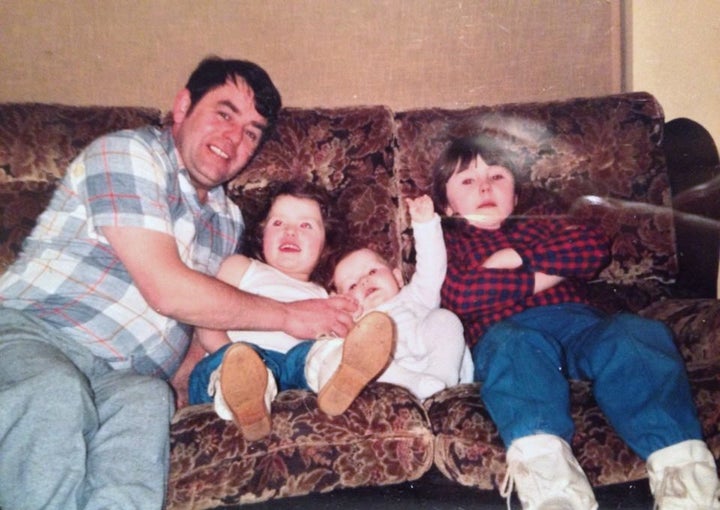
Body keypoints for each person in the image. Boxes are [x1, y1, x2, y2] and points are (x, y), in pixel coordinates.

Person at [0, 57, 357, 510]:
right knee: (53, 392)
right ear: (183, 106)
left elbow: (200, 315)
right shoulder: (128, 154)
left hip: (128, 378)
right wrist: (291, 316)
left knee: (148, 404)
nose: (233, 138)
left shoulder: (227, 219)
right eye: (224, 114)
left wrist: (196, 376)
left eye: (251, 132)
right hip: (37, 336)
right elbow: (167, 289)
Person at [431, 135, 720, 510]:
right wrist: (544, 275)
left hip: (580, 325)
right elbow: (461, 294)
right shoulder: (447, 245)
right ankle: (554, 492)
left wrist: (514, 256)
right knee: (515, 347)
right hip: (504, 334)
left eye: (498, 176)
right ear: (447, 206)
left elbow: (590, 248)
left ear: (516, 195)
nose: (485, 186)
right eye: (467, 181)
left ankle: (687, 483)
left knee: (635, 334)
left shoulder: (540, 227)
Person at [188, 179, 394, 440]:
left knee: (318, 352)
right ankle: (246, 399)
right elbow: (207, 319)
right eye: (278, 223)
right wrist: (229, 354)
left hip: (298, 373)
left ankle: (338, 379)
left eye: (306, 225)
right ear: (261, 233)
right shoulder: (241, 267)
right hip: (237, 361)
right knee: (231, 365)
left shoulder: (324, 295)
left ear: (325, 243)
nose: (290, 232)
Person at [330, 194, 472, 401]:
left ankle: (442, 384)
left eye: (372, 272)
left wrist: (425, 224)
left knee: (444, 318)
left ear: (397, 278)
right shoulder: (356, 324)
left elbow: (432, 266)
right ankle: (417, 386)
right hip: (398, 381)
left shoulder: (415, 297)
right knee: (358, 354)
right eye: (352, 285)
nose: (364, 282)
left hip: (440, 367)